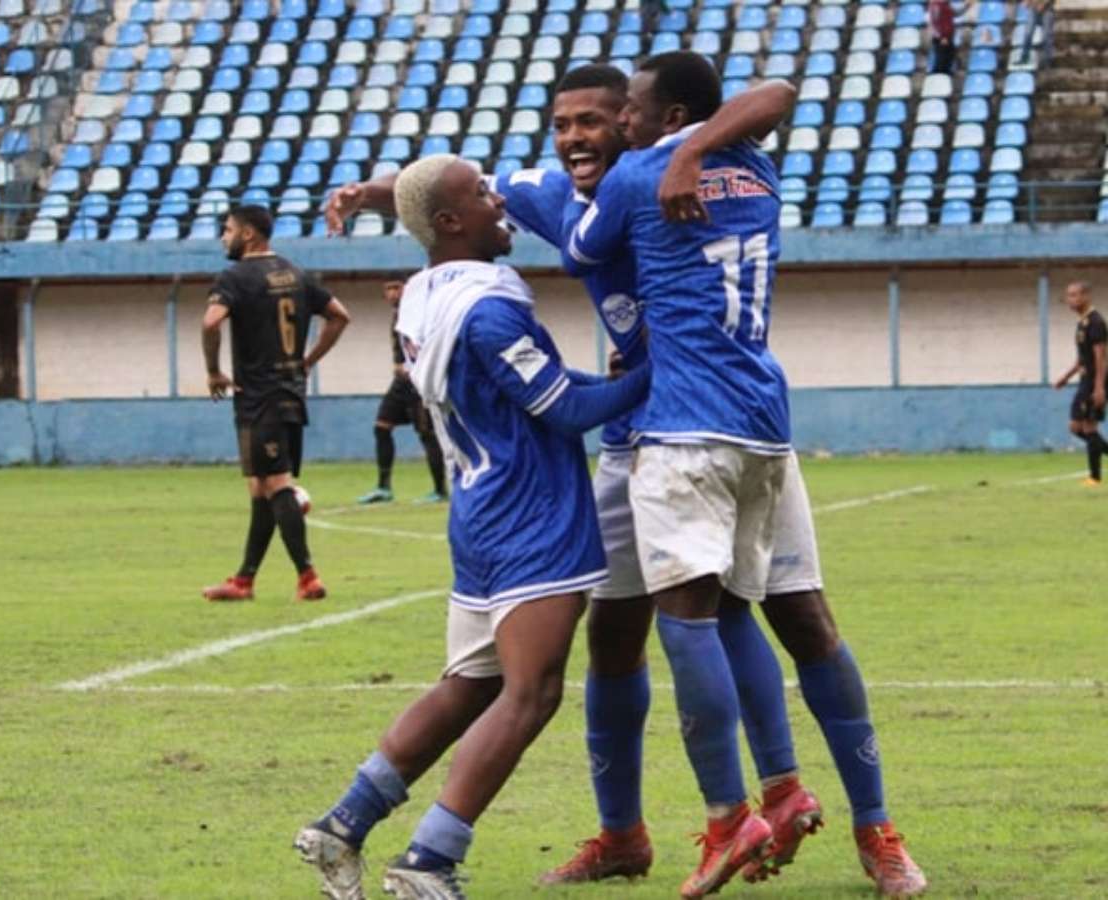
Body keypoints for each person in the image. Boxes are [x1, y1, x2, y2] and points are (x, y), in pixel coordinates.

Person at [323, 71, 832, 892]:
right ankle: (500, 849)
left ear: (638, 126)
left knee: (757, 617)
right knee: (575, 667)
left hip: (666, 442)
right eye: (562, 124)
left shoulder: (656, 179)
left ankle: (796, 804)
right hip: (592, 474)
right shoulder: (525, 245)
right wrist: (389, 195)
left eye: (598, 119)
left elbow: (775, 92)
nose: (575, 137)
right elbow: (464, 203)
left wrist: (382, 195)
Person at [563, 52, 926, 898]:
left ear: (666, 113)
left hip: (683, 434)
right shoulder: (756, 164)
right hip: (767, 428)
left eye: (625, 114)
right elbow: (778, 93)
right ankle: (869, 829)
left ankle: (732, 817)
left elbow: (581, 242)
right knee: (804, 622)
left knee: (685, 622)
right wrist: (695, 149)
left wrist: (661, 160)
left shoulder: (635, 178)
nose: (612, 129)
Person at [292, 155, 651, 900]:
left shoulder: (426, 294)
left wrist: (613, 382)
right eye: (485, 196)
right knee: (533, 692)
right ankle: (429, 860)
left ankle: (341, 825)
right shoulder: (489, 309)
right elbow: (565, 411)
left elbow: (535, 391)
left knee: (468, 687)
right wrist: (656, 372)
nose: (500, 205)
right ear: (452, 223)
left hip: (479, 509)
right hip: (531, 516)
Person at [201, 205, 351, 602]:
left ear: (248, 234)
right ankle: (244, 580)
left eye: (227, 229)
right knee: (260, 485)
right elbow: (339, 316)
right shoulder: (297, 273)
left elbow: (211, 322)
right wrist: (308, 361)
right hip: (290, 391)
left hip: (258, 396)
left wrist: (214, 372)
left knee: (276, 483)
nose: (223, 236)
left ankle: (308, 576)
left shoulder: (236, 277)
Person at [356, 277, 449, 505]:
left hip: (417, 382)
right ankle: (384, 487)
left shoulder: (417, 313)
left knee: (427, 434)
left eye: (396, 288)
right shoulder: (398, 314)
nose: (392, 293)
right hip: (400, 383)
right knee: (382, 427)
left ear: (407, 288)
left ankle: (440, 490)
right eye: (387, 289)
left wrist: (416, 367)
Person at [1054, 280, 1107, 486]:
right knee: (1075, 427)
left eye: (1075, 295)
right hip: (1085, 380)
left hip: (1095, 381)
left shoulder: (1096, 322)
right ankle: (1095, 475)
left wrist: (1100, 386)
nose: (1070, 300)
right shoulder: (1081, 323)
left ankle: (1094, 477)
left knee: (1088, 427)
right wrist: (1066, 377)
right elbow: (1082, 358)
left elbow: (1101, 357)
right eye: (1068, 296)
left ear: (1086, 296)